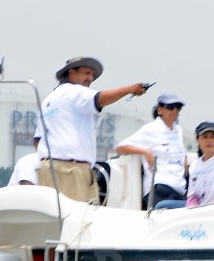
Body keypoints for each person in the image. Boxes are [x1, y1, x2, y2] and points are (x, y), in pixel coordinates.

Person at [38, 56, 149, 203]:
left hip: (46, 169)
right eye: (87, 73)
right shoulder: (75, 91)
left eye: (92, 75)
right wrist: (129, 89)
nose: (91, 78)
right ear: (71, 72)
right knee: (79, 219)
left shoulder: (49, 100)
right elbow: (99, 99)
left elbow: (37, 140)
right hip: (71, 170)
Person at [116, 92, 189, 209]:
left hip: (179, 190)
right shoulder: (151, 129)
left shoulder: (178, 131)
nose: (175, 110)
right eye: (170, 107)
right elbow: (121, 147)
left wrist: (184, 159)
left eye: (178, 108)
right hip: (159, 190)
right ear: (160, 110)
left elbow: (179, 152)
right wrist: (145, 152)